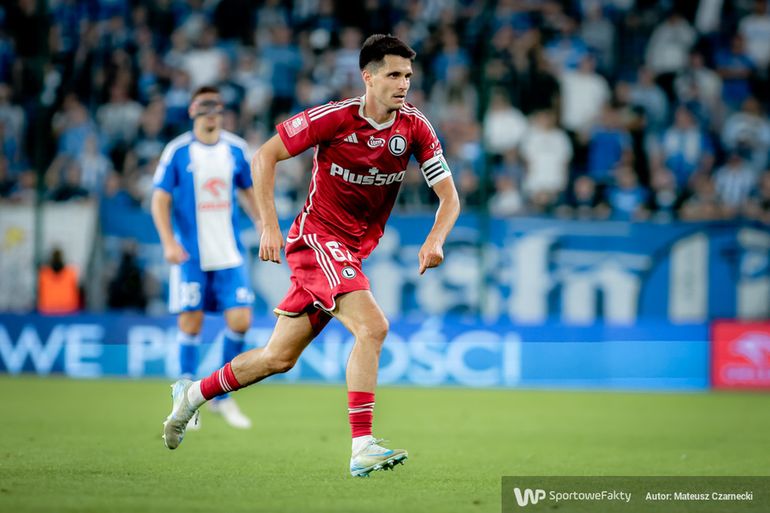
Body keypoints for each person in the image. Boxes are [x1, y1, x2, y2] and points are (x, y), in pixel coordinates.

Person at [161, 35, 461, 477]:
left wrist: (436, 238)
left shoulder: (415, 128)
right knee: (374, 327)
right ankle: (362, 445)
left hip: (350, 253)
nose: (403, 84)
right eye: (394, 75)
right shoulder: (334, 118)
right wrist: (268, 224)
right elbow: (265, 156)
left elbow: (450, 198)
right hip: (317, 239)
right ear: (368, 77)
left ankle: (191, 395)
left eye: (408, 76)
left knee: (277, 358)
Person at [152, 85, 259, 430]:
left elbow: (248, 189)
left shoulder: (236, 149)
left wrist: (263, 223)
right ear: (192, 110)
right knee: (190, 324)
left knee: (240, 321)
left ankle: (221, 397)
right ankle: (185, 401)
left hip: (229, 252)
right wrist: (168, 242)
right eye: (204, 105)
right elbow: (159, 199)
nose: (211, 112)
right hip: (191, 255)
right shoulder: (178, 151)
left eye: (216, 105)